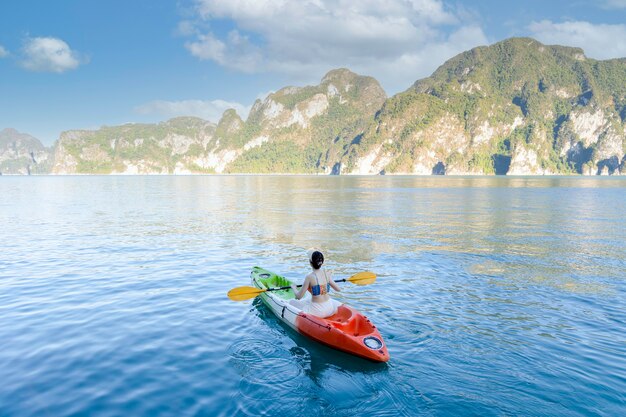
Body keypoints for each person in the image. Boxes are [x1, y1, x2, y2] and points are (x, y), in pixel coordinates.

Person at [290, 250, 341, 318]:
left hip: (317, 312)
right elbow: (338, 289)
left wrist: (294, 288)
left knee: (291, 302)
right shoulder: (327, 274)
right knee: (309, 299)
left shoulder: (309, 277)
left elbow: (298, 297)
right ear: (322, 262)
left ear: (310, 263)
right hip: (330, 309)